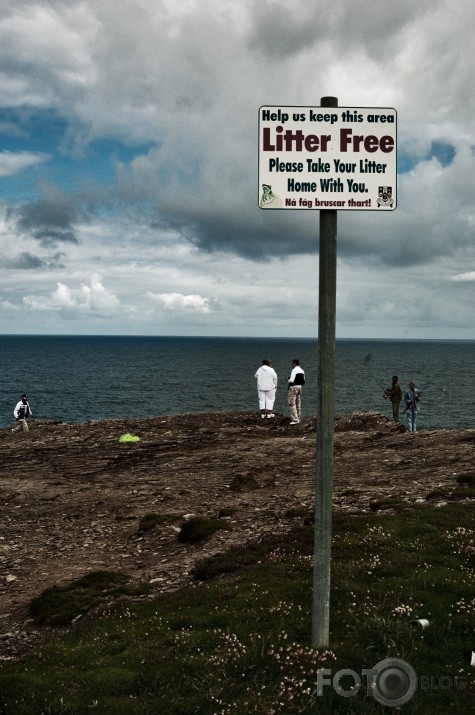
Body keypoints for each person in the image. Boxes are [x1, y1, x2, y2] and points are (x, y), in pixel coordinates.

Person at [287, 358, 305, 425]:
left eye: (292, 363)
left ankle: (295, 419)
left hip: (293, 387)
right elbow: (303, 380)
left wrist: (288, 380)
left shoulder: (294, 370)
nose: (291, 365)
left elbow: (291, 380)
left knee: (292, 403)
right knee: (298, 403)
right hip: (300, 387)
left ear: (294, 363)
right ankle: (298, 417)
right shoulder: (302, 370)